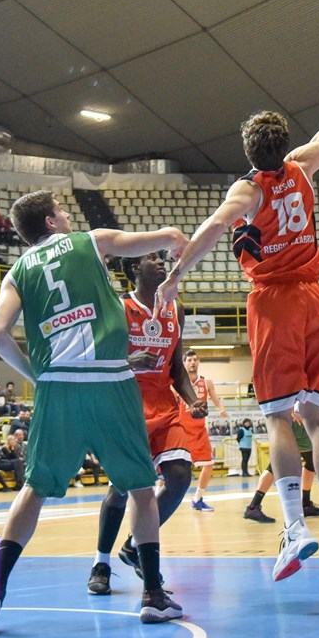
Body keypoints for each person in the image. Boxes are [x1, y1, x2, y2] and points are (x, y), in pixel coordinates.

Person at [157, 40, 319, 581]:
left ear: (249, 153)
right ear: (285, 144)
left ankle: (294, 528)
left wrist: (176, 276)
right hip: (316, 299)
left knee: (276, 418)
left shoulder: (249, 191)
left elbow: (212, 228)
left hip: (273, 303)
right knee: (318, 419)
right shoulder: (303, 167)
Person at [0, 190, 188, 632]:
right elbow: (168, 236)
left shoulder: (16, 273)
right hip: (110, 381)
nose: (67, 216)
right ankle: (153, 596)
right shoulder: (91, 240)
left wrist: (37, 374)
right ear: (50, 222)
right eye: (61, 211)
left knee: (34, 489)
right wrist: (177, 247)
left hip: (57, 387)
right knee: (141, 488)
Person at [87, 253, 207, 597]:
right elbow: (97, 358)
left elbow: (176, 368)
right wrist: (128, 361)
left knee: (180, 477)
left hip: (165, 406)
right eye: (152, 258)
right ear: (134, 268)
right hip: (127, 405)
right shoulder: (119, 307)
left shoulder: (175, 309)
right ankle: (101, 563)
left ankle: (132, 546)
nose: (161, 262)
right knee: (121, 489)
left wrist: (191, 400)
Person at [243, 410, 319, 524]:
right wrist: (296, 409)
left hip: (294, 419)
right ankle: (253, 506)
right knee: (276, 464)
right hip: (294, 420)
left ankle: (306, 504)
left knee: (310, 461)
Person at [179, 350, 229, 511]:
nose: (192, 362)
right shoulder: (178, 383)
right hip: (181, 431)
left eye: (195, 359)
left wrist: (221, 409)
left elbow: (215, 398)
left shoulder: (206, 382)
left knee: (208, 464)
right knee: (175, 468)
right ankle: (159, 496)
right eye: (189, 360)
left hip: (200, 430)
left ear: (198, 362)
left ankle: (198, 498)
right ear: (184, 363)